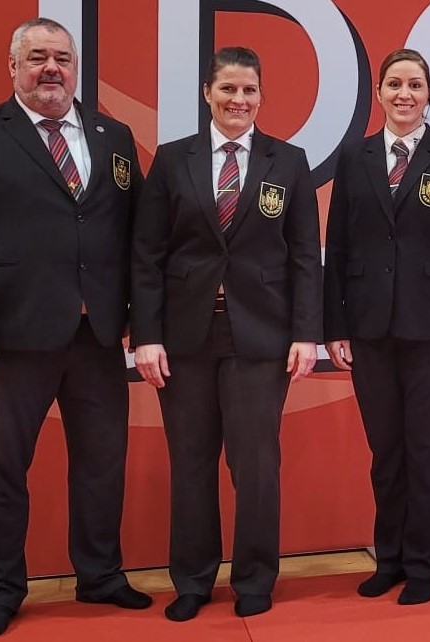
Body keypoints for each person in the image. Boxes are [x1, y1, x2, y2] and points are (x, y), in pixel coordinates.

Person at [0, 17, 151, 637]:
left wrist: (143, 319)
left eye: (62, 58)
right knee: (1, 467)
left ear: (76, 69)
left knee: (102, 463)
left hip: (98, 332)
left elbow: (137, 238)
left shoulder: (113, 135)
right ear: (13, 67)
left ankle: (100, 575)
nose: (52, 68)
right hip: (10, 333)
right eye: (38, 57)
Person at [131, 46, 322, 621]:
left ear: (262, 96)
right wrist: (146, 334)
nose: (239, 100)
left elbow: (306, 259)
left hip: (261, 338)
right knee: (190, 462)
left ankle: (255, 577)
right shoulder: (172, 160)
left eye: (249, 91)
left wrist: (305, 333)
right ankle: (191, 580)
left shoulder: (287, 161)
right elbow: (147, 253)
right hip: (185, 336)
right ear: (207, 94)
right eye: (229, 90)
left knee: (255, 464)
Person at [323, 49, 430, 605]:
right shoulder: (356, 158)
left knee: (425, 452)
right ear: (380, 92)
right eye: (394, 84)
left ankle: (422, 566)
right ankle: (387, 558)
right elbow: (338, 246)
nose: (404, 94)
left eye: (415, 85)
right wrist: (334, 324)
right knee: (386, 453)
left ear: (429, 95)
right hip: (369, 330)